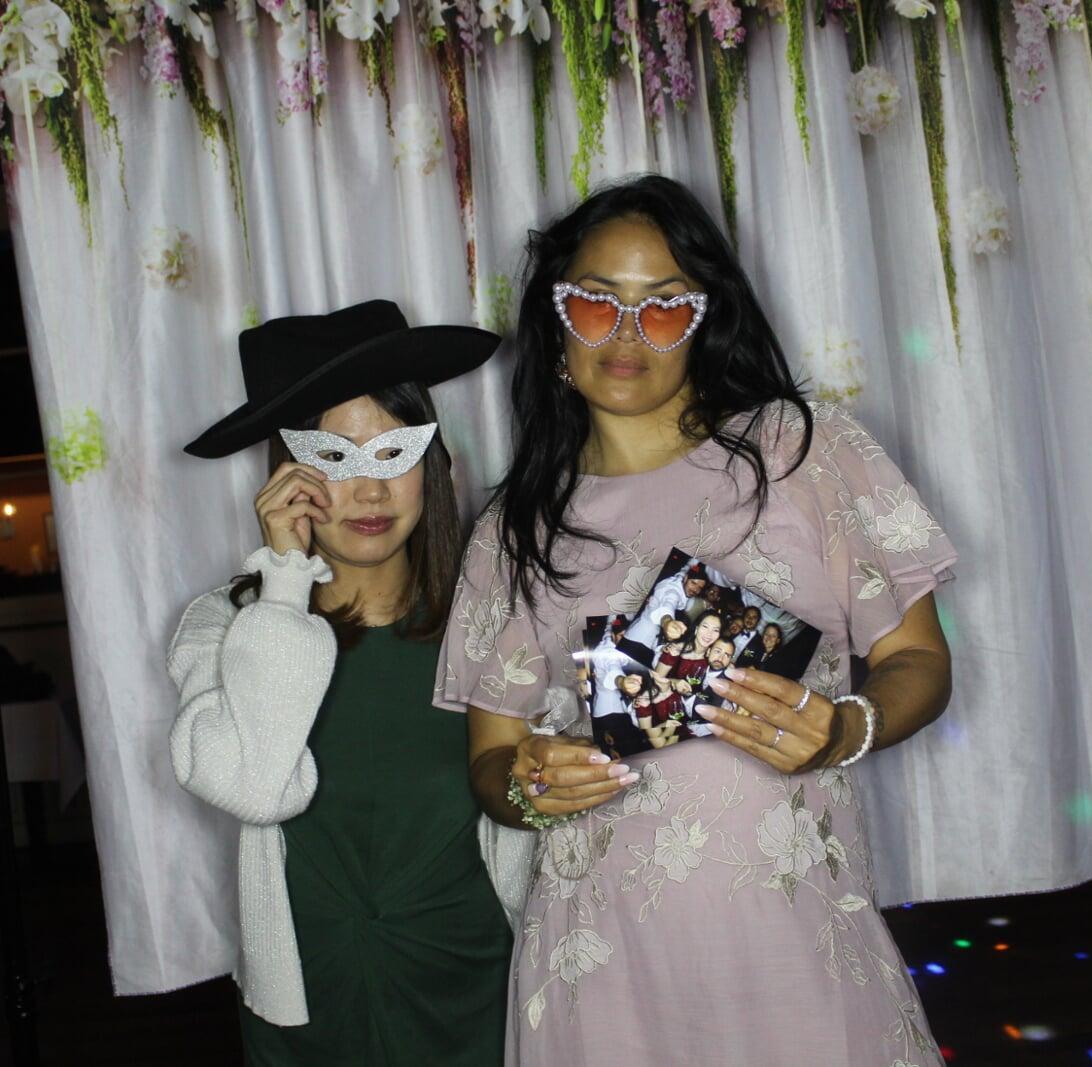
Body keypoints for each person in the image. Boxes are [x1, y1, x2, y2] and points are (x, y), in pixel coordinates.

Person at [437, 175, 959, 1064]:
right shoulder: (514, 530)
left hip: (796, 944)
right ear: (556, 326)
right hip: (601, 963)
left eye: (664, 306)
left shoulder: (801, 452)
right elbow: (492, 761)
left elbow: (919, 658)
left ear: (704, 322)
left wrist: (847, 727)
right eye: (596, 302)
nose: (627, 334)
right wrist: (526, 783)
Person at [167, 305, 511, 1065]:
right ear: (285, 475)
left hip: (477, 984)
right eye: (334, 458)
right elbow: (256, 788)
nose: (369, 490)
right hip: (309, 995)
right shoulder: (221, 627)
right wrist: (285, 581)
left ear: (432, 463)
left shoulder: (496, 623)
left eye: (392, 453)